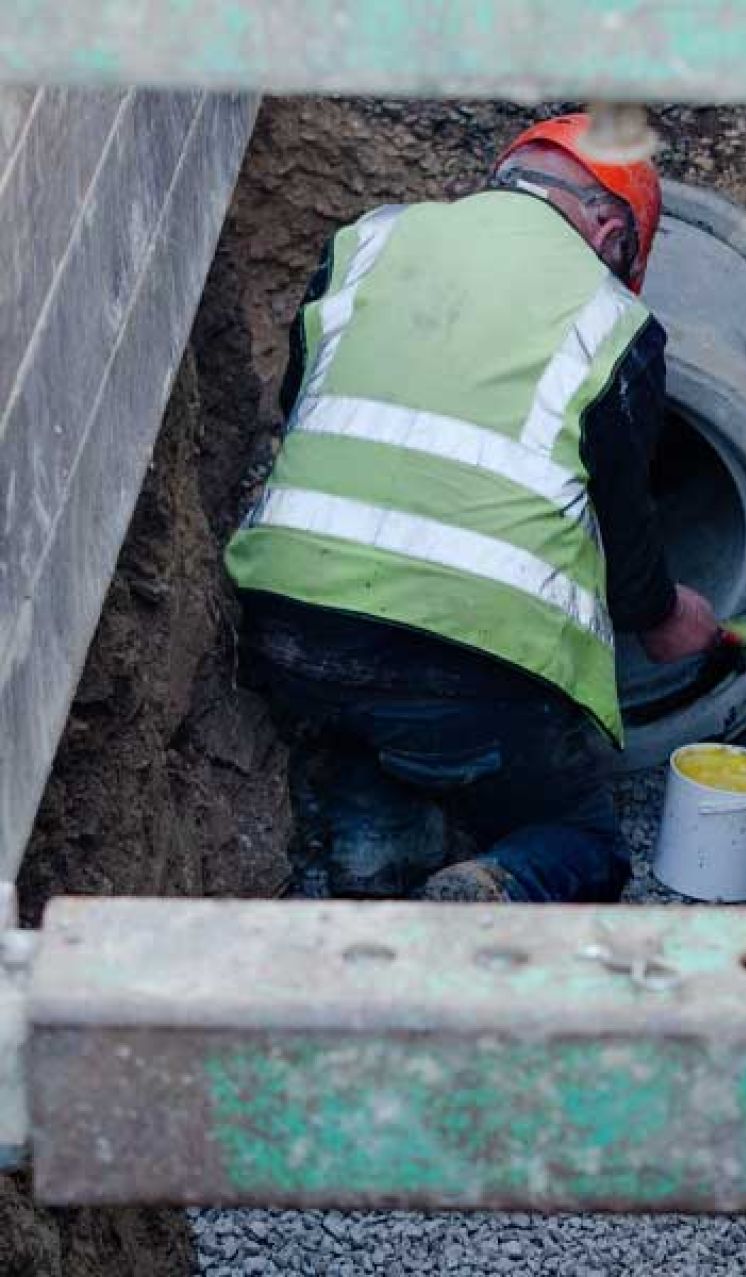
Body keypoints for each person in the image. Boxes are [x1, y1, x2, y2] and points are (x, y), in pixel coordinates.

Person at [224, 113, 719, 905]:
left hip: (287, 628)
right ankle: (495, 883)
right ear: (608, 233)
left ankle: (373, 842)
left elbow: (303, 406)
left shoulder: (368, 242)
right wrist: (665, 615)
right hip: (467, 671)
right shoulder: (611, 322)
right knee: (582, 838)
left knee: (371, 708)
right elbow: (624, 525)